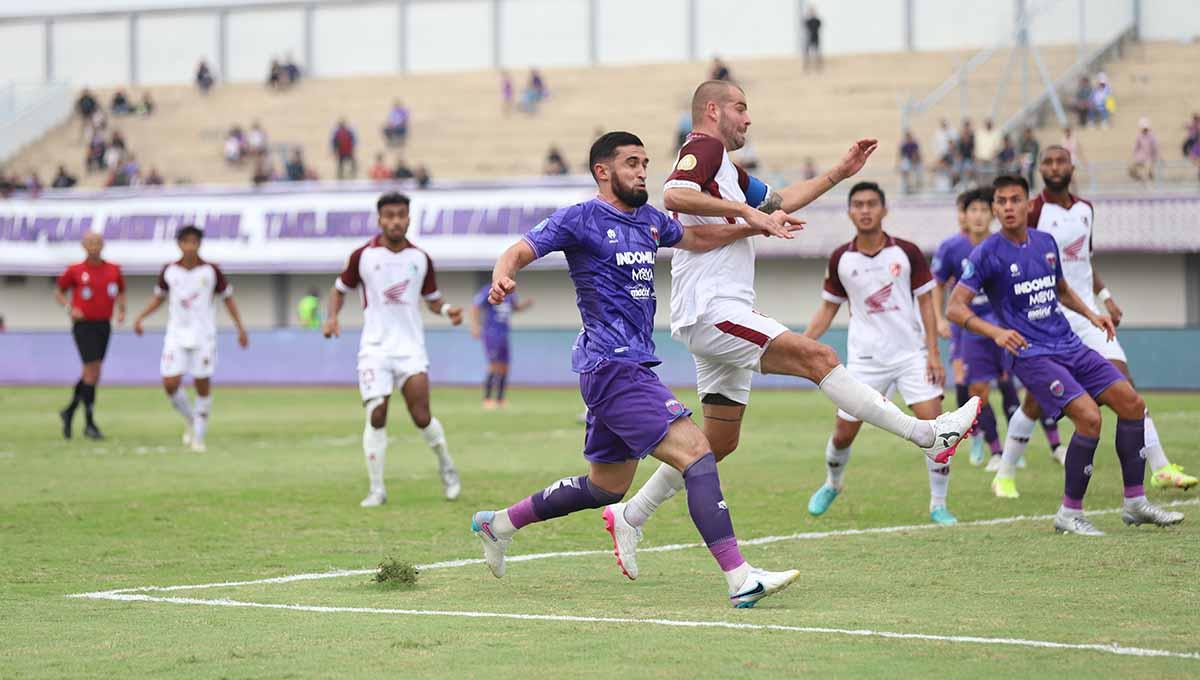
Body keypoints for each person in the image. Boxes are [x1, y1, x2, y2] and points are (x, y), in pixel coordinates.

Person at [604, 81, 980, 579]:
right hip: (714, 308)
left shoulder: (727, 168)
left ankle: (630, 515)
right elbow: (674, 192)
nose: (748, 118)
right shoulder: (704, 146)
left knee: (717, 442)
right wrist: (748, 215)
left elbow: (781, 200)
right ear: (713, 111)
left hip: (712, 310)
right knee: (818, 357)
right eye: (741, 108)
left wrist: (839, 173)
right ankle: (928, 435)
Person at [471, 131, 805, 606]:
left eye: (646, 162)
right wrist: (503, 274)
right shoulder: (580, 218)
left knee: (607, 486)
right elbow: (521, 249)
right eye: (631, 162)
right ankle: (740, 578)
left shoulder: (650, 220)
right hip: (613, 366)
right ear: (603, 171)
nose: (642, 171)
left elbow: (696, 237)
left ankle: (498, 523)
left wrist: (755, 223)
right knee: (696, 451)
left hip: (624, 365)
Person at [947, 175, 1183, 535]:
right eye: (1001, 201)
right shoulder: (986, 254)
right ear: (995, 209)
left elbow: (1060, 289)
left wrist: (1092, 314)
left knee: (1132, 404)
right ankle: (1069, 513)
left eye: (1015, 200)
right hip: (1030, 354)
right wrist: (995, 331)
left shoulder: (1045, 242)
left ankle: (1135, 503)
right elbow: (955, 307)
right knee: (1089, 418)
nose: (1008, 207)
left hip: (1069, 343)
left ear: (1028, 205)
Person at [1003, 147, 1196, 490]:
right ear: (1040, 170)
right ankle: (1004, 475)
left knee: (1126, 387)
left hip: (1088, 316)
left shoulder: (1085, 209)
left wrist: (1106, 299)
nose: (1054, 167)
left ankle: (1161, 467)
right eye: (1047, 162)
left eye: (1060, 161)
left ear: (1072, 167)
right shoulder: (1032, 211)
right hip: (1048, 321)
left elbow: (1084, 263)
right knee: (1034, 403)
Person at [803, 182, 956, 524]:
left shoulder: (907, 252)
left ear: (884, 210)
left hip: (911, 356)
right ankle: (833, 483)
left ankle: (938, 504)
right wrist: (798, 344)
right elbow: (827, 310)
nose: (865, 210)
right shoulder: (841, 258)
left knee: (936, 430)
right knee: (843, 434)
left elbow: (928, 304)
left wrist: (933, 353)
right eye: (858, 204)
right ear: (850, 212)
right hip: (865, 361)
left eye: (872, 203)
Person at [323, 192, 463, 507]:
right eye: (389, 215)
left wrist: (447, 310)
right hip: (374, 348)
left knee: (421, 416)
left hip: (410, 349)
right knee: (377, 413)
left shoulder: (420, 258)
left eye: (401, 215)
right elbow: (339, 289)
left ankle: (446, 465)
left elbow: (432, 299)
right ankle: (377, 489)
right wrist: (331, 318)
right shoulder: (363, 256)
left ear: (409, 219)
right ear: (380, 219)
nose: (395, 221)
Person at [132, 226, 249, 452]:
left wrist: (240, 328)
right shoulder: (169, 270)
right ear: (179, 244)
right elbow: (159, 297)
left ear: (199, 244)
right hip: (176, 334)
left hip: (204, 336)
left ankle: (198, 438)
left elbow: (228, 299)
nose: (190, 246)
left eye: (194, 242)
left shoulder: (211, 270)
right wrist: (141, 317)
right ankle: (192, 419)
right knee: (170, 383)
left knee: (202, 384)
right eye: (185, 242)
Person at [54, 233, 126, 440]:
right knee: (91, 370)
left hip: (104, 324)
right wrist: (70, 308)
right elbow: (58, 292)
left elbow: (121, 291)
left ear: (103, 245)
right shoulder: (75, 270)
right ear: (84, 246)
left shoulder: (113, 269)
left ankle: (69, 412)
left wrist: (121, 310)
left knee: (94, 373)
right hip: (83, 325)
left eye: (97, 243)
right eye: (90, 243)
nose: (94, 247)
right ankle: (89, 422)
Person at [471, 283, 532, 409]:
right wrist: (475, 326)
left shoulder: (510, 292)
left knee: (505, 367)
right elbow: (475, 306)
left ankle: (500, 399)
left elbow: (514, 308)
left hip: (504, 333)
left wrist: (525, 305)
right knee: (494, 366)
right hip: (491, 333)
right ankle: (487, 399)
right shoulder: (488, 290)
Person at [1128, 118, 1159, 183]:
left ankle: (1149, 182)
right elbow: (1135, 148)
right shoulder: (1139, 136)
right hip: (1140, 157)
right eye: (1143, 128)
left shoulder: (1152, 137)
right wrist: (1133, 157)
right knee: (1131, 170)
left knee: (1148, 171)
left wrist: (1155, 157)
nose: (1145, 130)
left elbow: (1155, 148)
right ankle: (1141, 179)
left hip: (1149, 158)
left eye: (1146, 128)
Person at [897, 129, 922, 193]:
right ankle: (907, 185)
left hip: (915, 161)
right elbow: (901, 155)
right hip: (908, 160)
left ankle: (918, 185)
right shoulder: (904, 145)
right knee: (904, 167)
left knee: (919, 170)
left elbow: (917, 154)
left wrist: (915, 160)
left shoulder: (914, 144)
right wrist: (898, 164)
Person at [803, 7, 822, 72]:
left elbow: (820, 25)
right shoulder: (808, 21)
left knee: (817, 53)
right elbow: (805, 26)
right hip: (809, 38)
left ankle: (818, 67)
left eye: (813, 12)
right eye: (811, 12)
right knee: (807, 54)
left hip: (816, 38)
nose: (812, 13)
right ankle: (807, 67)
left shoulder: (817, 20)